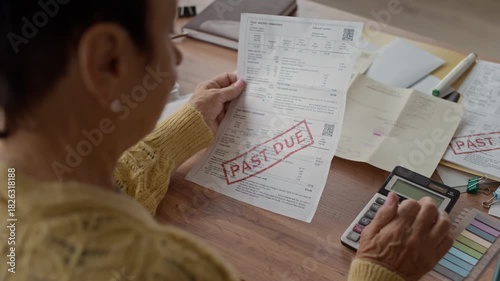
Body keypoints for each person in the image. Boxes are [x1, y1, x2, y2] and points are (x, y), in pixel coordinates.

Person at [0, 0, 454, 280]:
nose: (177, 52)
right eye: (163, 34)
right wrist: (380, 272)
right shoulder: (165, 269)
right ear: (108, 61)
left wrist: (171, 141)